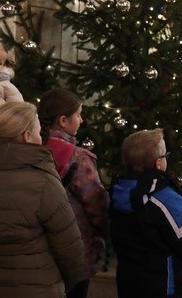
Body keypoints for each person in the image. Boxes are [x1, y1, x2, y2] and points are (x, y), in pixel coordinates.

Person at [0, 102, 86, 297]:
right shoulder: (44, 184)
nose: (41, 138)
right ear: (27, 136)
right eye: (37, 131)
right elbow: (70, 251)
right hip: (37, 288)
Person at [109, 129, 182, 298]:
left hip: (128, 283)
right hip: (165, 287)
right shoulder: (165, 198)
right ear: (158, 164)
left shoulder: (116, 193)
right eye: (165, 155)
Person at [38, 89, 109, 298]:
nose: (81, 120)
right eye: (78, 115)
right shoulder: (79, 158)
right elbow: (96, 204)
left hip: (38, 245)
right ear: (63, 120)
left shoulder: (31, 148)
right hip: (75, 245)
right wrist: (106, 233)